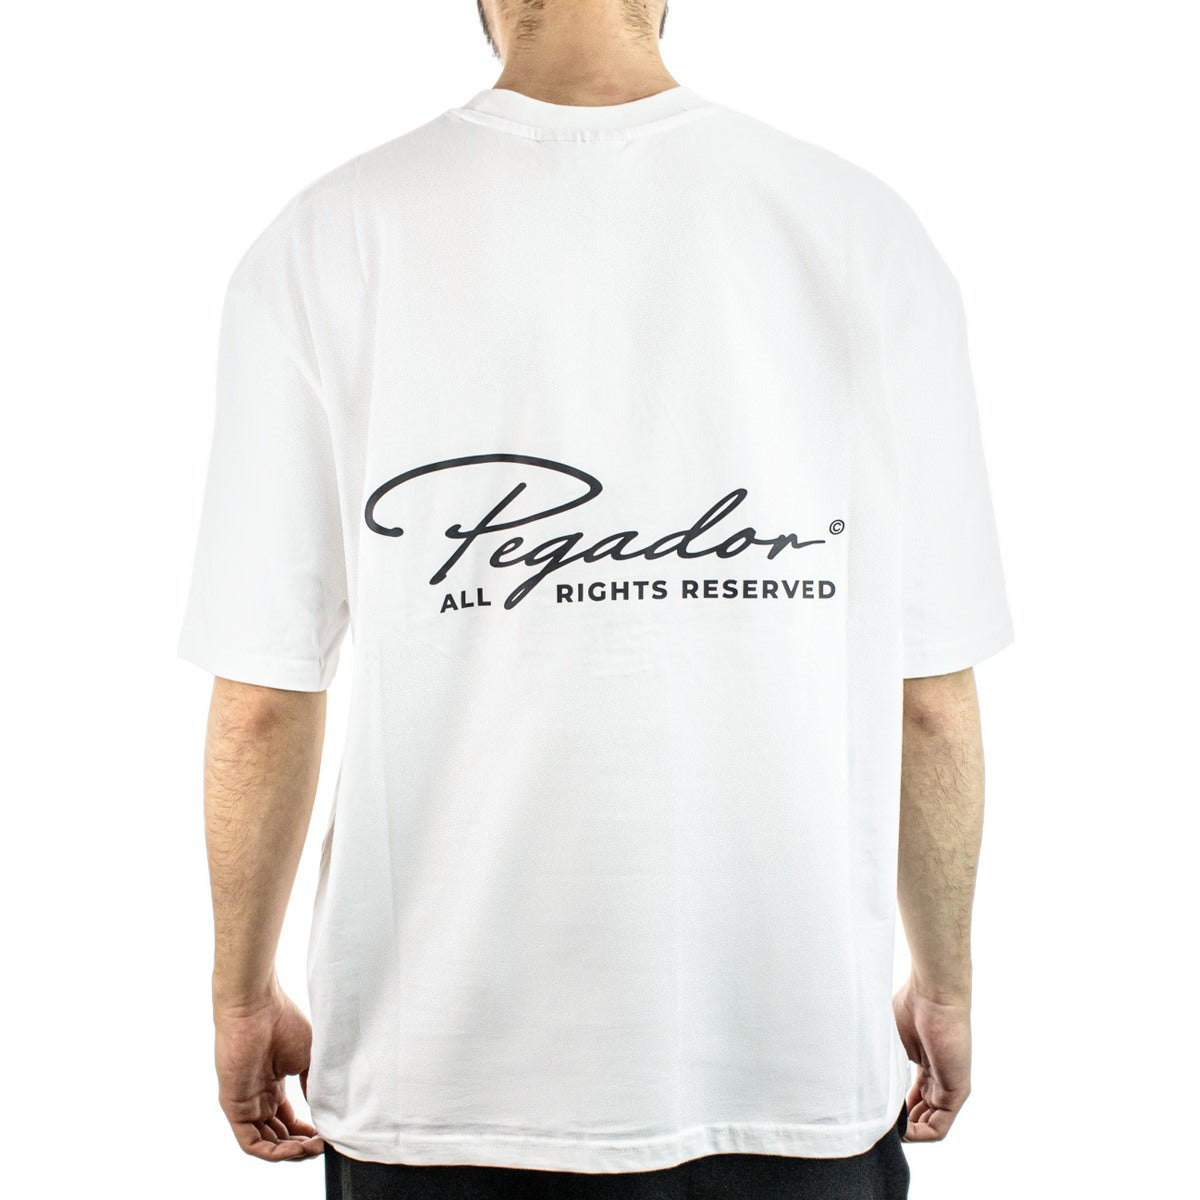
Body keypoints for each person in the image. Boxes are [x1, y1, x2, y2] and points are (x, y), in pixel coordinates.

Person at [177, 1, 1013, 1196]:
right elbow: (929, 698)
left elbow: (263, 700)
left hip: (440, 1088)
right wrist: (946, 988)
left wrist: (239, 998)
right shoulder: (859, 229)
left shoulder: (330, 239)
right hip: (789, 1069)